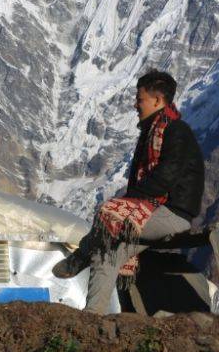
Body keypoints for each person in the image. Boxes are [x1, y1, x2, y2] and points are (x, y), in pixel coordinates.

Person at [52, 69, 205, 314]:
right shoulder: (151, 133)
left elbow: (165, 177)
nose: (136, 105)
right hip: (151, 213)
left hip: (171, 215)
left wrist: (127, 205)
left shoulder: (176, 132)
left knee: (109, 211)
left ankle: (81, 255)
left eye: (140, 99)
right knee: (107, 250)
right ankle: (93, 314)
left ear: (157, 100)